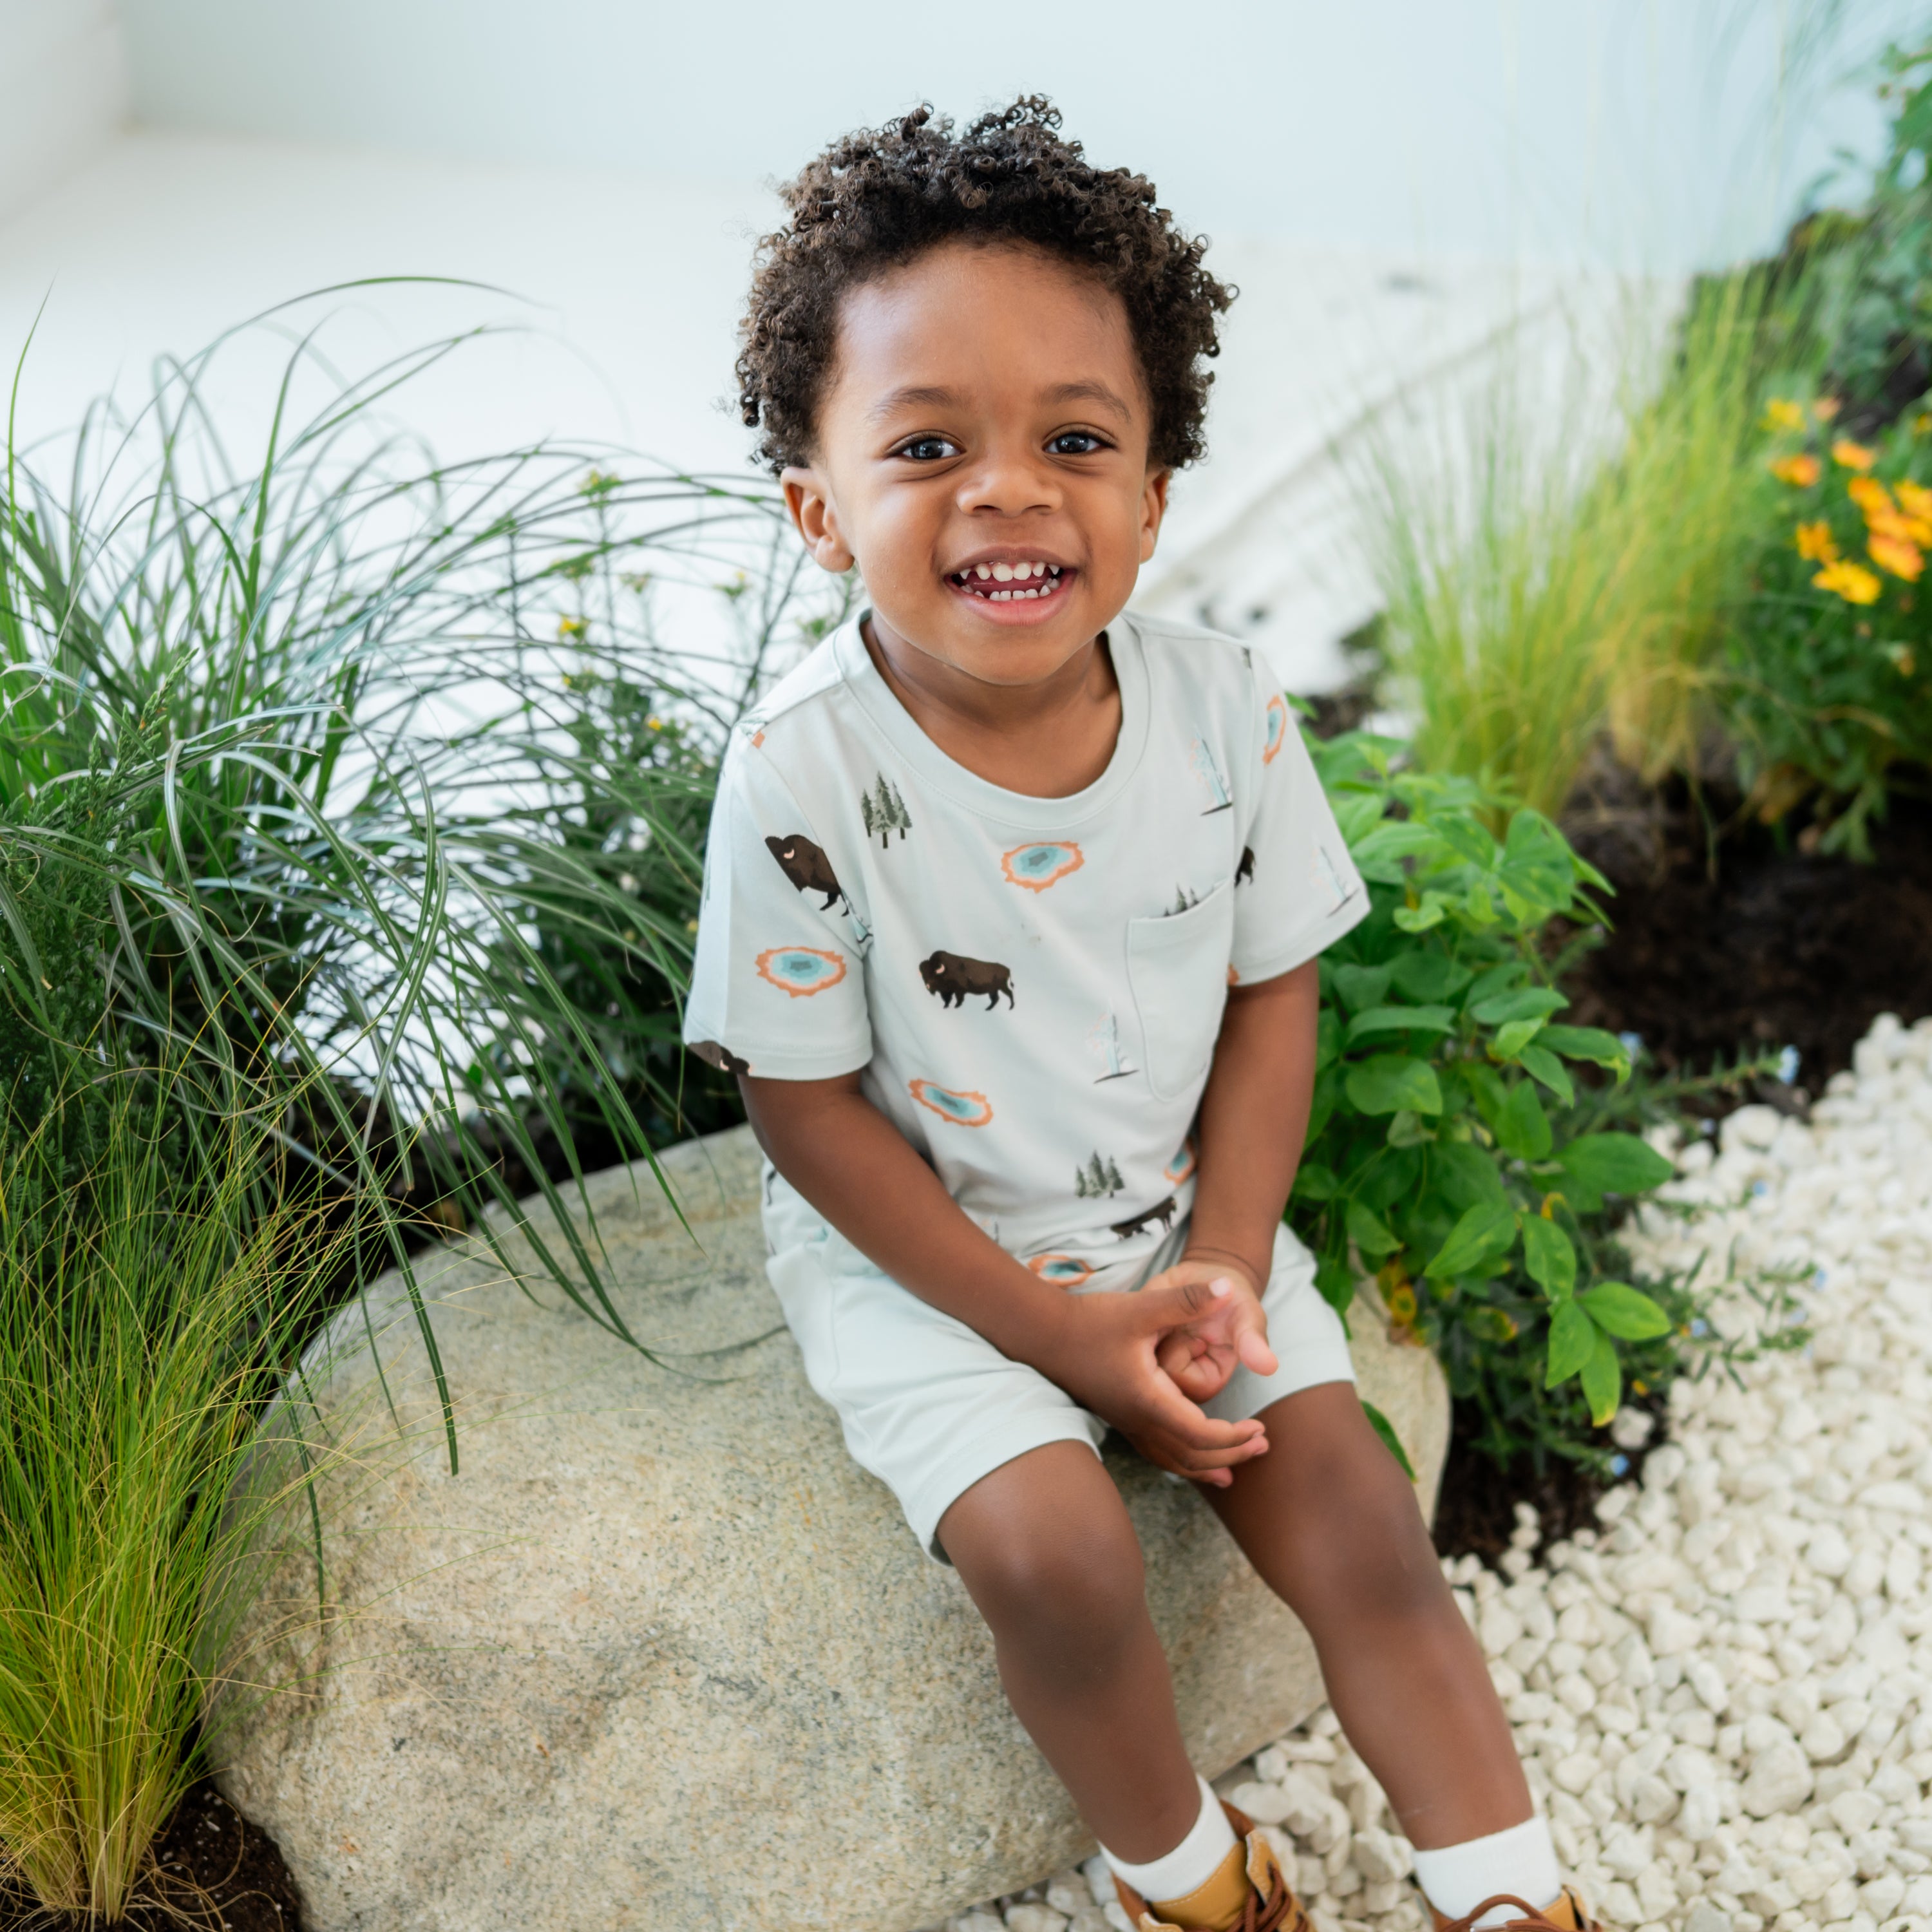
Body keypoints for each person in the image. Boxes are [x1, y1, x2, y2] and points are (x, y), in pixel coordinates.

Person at [686, 98, 1601, 1932]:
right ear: (817, 507)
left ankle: (1514, 1897)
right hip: (930, 1263)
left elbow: (1278, 991)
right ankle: (1186, 1877)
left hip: (1177, 1221)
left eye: (1075, 439)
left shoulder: (1224, 711)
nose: (1009, 489)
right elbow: (810, 1115)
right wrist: (1056, 1336)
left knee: (1359, 1520)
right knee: (1058, 1553)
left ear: (1156, 492)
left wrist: (1229, 1267)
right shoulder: (801, 778)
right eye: (926, 444)